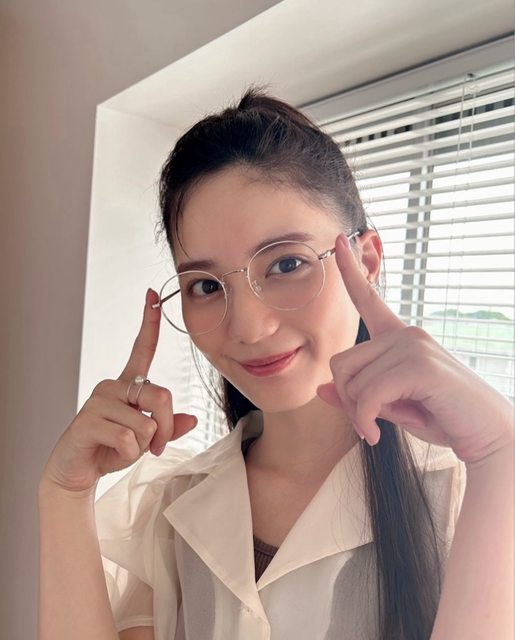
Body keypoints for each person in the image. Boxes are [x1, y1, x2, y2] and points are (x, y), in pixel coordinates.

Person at [38, 88, 514, 640]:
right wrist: (64, 493)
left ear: (365, 260)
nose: (248, 327)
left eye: (287, 263)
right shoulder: (170, 506)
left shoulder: (469, 492)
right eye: (206, 286)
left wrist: (501, 454)